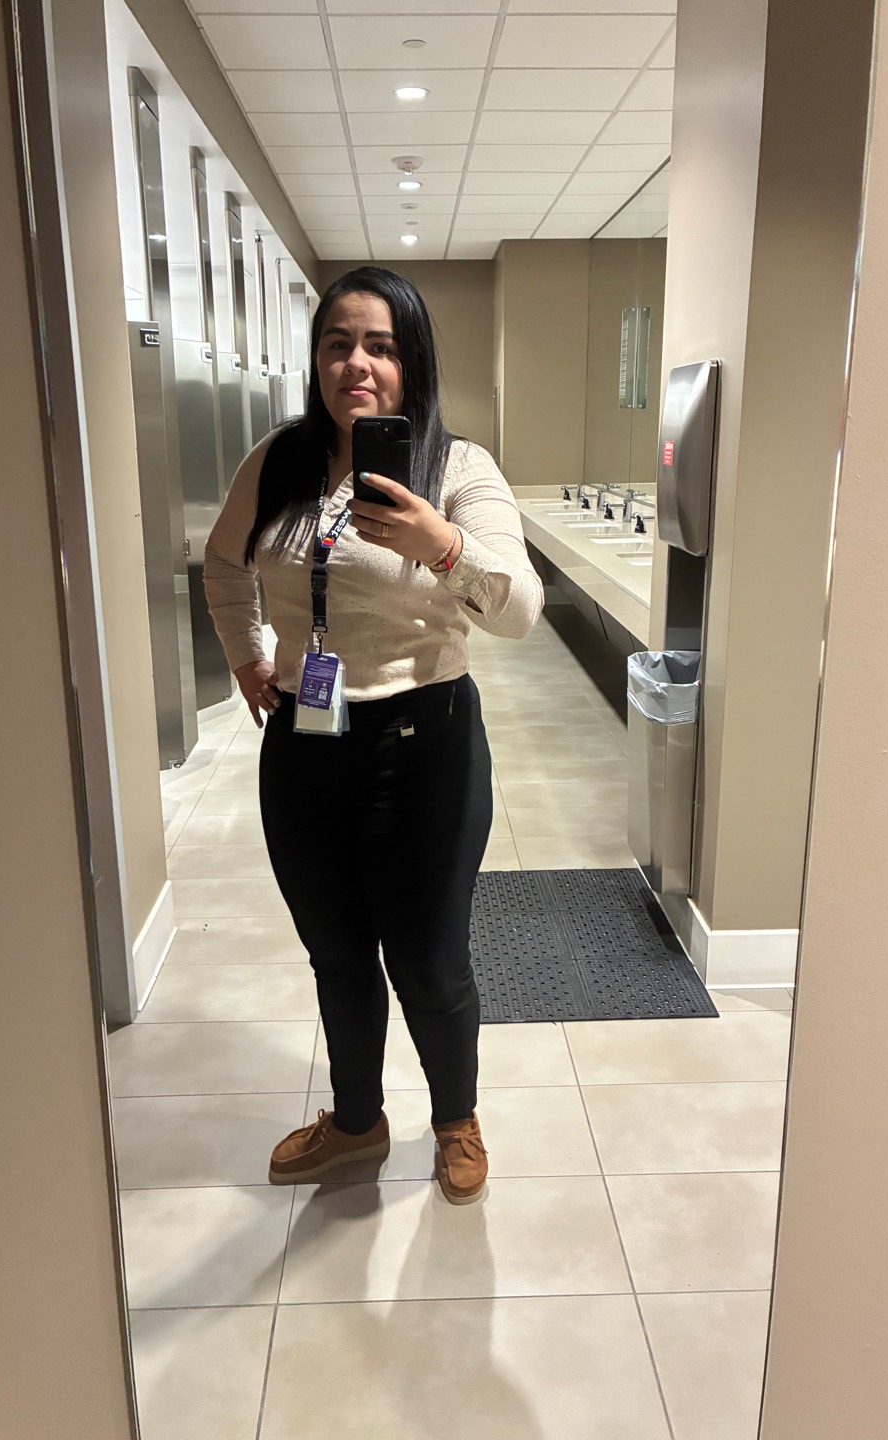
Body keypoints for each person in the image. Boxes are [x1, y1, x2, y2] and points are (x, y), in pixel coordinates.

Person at [203, 266, 543, 1206]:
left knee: (428, 960)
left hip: (424, 742)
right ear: (317, 359)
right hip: (306, 740)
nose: (357, 363)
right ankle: (357, 1122)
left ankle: (456, 1119)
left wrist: (440, 542)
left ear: (411, 363)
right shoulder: (278, 461)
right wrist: (246, 656)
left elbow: (520, 609)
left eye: (381, 347)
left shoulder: (456, 469)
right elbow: (224, 563)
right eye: (338, 343)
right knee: (338, 953)